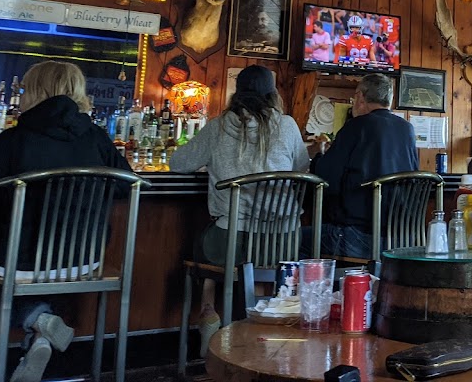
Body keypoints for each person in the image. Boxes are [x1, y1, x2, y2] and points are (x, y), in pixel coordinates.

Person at [0, 60, 131, 382]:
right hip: (85, 259)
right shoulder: (97, 137)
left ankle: (38, 320)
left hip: (19, 260)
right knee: (37, 267)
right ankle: (40, 334)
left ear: (33, 91)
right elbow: (125, 185)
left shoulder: (13, 139)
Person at [169, 65, 308, 357]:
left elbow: (178, 163)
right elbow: (302, 170)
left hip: (229, 242)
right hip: (282, 243)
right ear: (272, 94)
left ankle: (209, 313)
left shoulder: (218, 126)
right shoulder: (287, 126)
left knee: (203, 247)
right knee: (258, 264)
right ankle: (258, 322)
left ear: (237, 93)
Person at [312, 73, 418, 258]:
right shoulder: (407, 129)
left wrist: (318, 156)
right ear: (390, 100)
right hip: (402, 239)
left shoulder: (356, 126)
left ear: (360, 97)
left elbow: (325, 177)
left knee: (292, 240)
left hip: (358, 237)